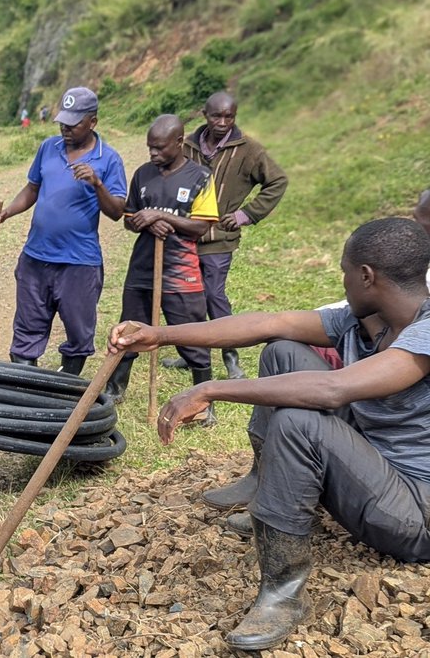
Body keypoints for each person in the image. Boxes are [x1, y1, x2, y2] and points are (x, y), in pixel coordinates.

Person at [108, 217, 430, 651]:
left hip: (414, 513)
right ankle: (266, 486)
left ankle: (283, 593)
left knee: (299, 422)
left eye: (345, 272)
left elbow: (334, 388)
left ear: (367, 276)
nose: (344, 281)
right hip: (374, 471)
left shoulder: (425, 333)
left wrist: (211, 387)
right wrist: (160, 335)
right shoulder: (367, 321)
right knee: (283, 351)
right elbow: (270, 321)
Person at [0, 86, 128, 375]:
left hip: (78, 262)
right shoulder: (48, 148)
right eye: (63, 122)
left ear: (92, 122)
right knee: (28, 327)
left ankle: (65, 387)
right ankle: (25, 388)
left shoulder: (108, 159)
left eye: (74, 123)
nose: (66, 128)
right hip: (35, 257)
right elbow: (32, 189)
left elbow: (117, 212)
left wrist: (97, 183)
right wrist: (7, 213)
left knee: (78, 331)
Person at [162, 91, 288, 378]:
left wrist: (245, 214)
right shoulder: (188, 145)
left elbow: (277, 181)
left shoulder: (248, 150)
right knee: (185, 299)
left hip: (218, 240)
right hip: (182, 237)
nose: (222, 122)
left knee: (213, 296)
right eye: (216, 116)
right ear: (204, 115)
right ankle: (191, 353)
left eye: (228, 116)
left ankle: (231, 359)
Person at [103, 115, 219, 420]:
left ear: (179, 143)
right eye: (149, 148)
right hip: (143, 269)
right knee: (129, 329)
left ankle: (204, 403)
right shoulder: (143, 174)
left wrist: (160, 216)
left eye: (159, 148)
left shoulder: (200, 177)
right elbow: (130, 219)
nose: (153, 154)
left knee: (192, 336)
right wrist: (144, 221)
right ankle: (114, 389)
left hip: (180, 273)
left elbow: (200, 227)